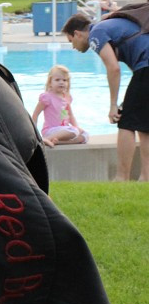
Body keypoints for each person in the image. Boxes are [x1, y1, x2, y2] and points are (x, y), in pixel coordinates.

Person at [62, 12, 149, 180]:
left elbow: (113, 68)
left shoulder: (96, 34)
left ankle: (121, 177)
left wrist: (113, 105)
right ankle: (146, 177)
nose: (73, 46)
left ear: (77, 34)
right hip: (144, 68)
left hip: (146, 67)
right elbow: (137, 62)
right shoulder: (107, 27)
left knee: (126, 123)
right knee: (145, 127)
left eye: (71, 41)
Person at [31, 65, 89, 146]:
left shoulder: (66, 98)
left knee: (85, 135)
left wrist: (77, 128)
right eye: (57, 80)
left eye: (64, 80)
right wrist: (34, 134)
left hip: (65, 130)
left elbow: (70, 116)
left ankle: (59, 142)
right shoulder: (47, 97)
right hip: (50, 131)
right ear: (50, 83)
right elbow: (35, 114)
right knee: (73, 131)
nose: (61, 82)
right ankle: (45, 139)